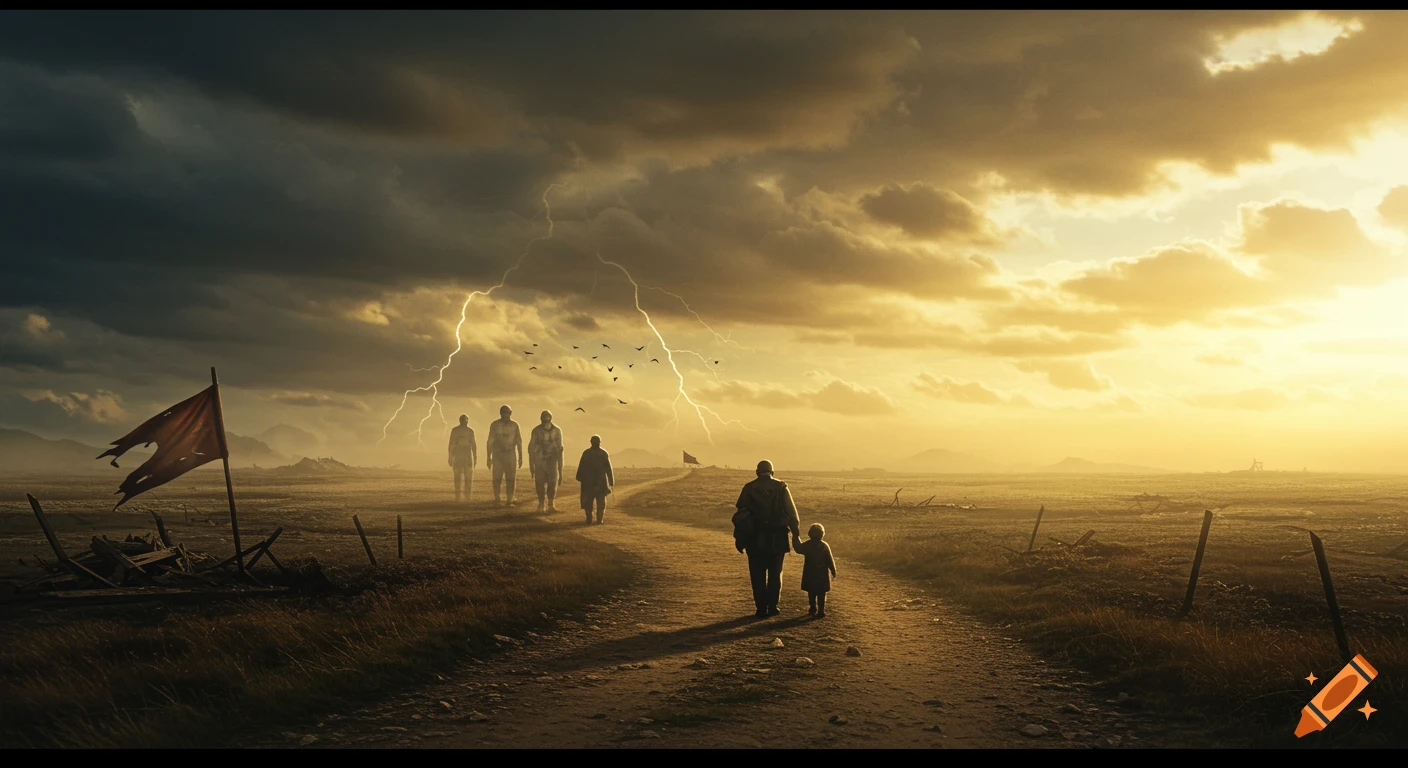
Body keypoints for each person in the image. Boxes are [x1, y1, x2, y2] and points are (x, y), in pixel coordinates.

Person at [734, 460, 801, 619]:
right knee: (775, 573)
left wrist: (740, 538)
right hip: (778, 538)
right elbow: (792, 514)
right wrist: (796, 535)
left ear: (757, 472)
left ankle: (760, 608)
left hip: (754, 537)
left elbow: (741, 513)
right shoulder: (781, 487)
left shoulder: (749, 488)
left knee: (757, 574)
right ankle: (773, 606)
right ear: (773, 472)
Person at [794, 523, 837, 618]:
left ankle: (813, 608)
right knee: (821, 593)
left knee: (811, 592)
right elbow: (830, 559)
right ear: (822, 534)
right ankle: (821, 610)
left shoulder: (808, 545)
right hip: (822, 574)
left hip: (810, 573)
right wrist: (833, 570)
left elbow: (798, 549)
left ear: (810, 534)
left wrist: (795, 537)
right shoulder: (825, 546)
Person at [528, 409, 565, 513]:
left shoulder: (557, 431)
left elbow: (559, 448)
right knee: (540, 483)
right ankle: (541, 504)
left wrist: (560, 469)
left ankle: (550, 504)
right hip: (540, 461)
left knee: (552, 483)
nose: (546, 420)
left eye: (548, 418)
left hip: (552, 461)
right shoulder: (536, 431)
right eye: (544, 418)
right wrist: (532, 464)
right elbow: (531, 447)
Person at [486, 405, 523, 507]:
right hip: (497, 454)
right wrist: (488, 457)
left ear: (510, 413)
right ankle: (497, 499)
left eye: (507, 412)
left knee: (511, 478)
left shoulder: (514, 425)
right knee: (497, 477)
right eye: (503, 412)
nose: (505, 414)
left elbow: (519, 441)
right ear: (500, 413)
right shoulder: (495, 425)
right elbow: (490, 441)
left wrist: (520, 456)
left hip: (510, 453)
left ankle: (509, 500)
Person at [575, 434, 614, 524]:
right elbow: (609, 469)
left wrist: (581, 479)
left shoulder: (588, 453)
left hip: (591, 483)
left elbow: (581, 469)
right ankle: (597, 519)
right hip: (597, 482)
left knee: (591, 502)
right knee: (598, 503)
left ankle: (591, 519)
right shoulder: (601, 453)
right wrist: (611, 481)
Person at [447, 414, 477, 503]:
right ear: (460, 420)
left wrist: (475, 457)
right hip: (458, 454)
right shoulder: (455, 430)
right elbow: (451, 444)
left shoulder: (470, 431)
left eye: (465, 419)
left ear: (467, 420)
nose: (464, 421)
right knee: (457, 476)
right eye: (463, 420)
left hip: (467, 455)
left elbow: (474, 445)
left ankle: (467, 496)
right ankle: (457, 496)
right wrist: (450, 457)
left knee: (468, 476)